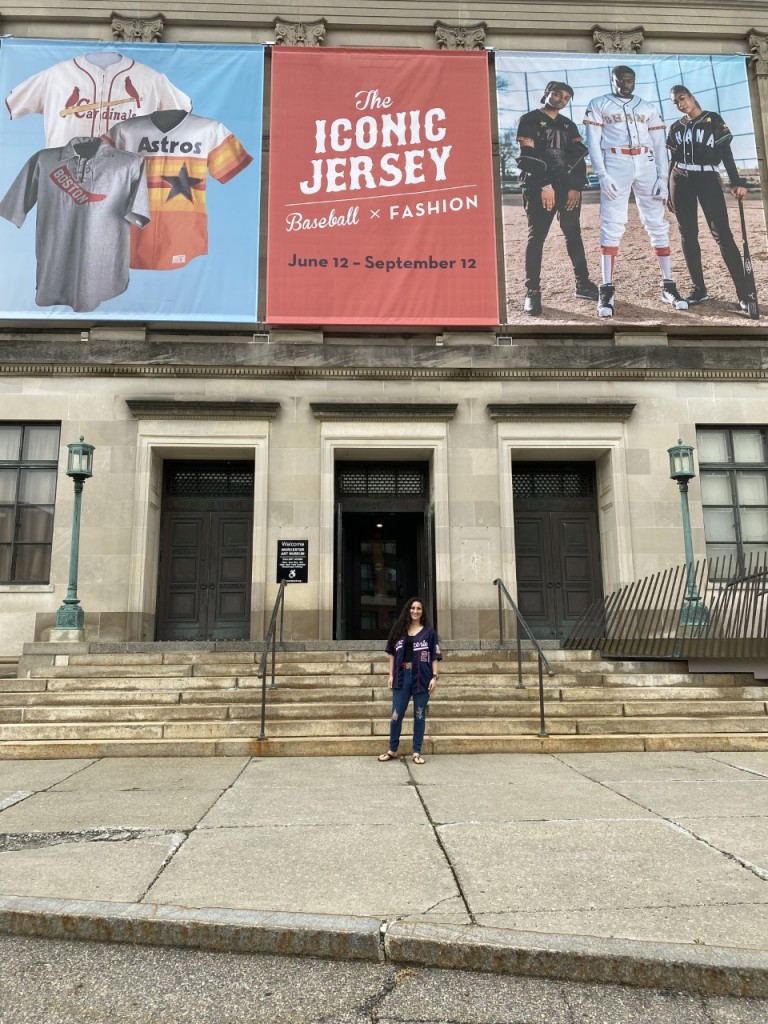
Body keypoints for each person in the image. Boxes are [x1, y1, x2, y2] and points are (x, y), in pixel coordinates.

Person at [584, 65, 688, 318]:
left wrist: (663, 177)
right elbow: (592, 141)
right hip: (615, 161)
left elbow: (660, 145)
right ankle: (606, 288)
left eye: (629, 80)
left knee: (656, 222)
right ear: (613, 80)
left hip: (646, 163)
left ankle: (668, 285)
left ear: (634, 81)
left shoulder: (648, 106)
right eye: (620, 80)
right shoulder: (599, 103)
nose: (625, 84)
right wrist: (601, 173)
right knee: (612, 223)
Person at [516, 81, 599, 316]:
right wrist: (545, 184)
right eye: (557, 94)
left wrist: (576, 187)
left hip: (566, 187)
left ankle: (583, 284)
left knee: (573, 233)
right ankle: (532, 292)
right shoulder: (529, 119)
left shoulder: (568, 124)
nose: (561, 99)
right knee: (537, 236)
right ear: (547, 94)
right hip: (539, 186)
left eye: (566, 97)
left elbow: (578, 156)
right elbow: (528, 155)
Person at [666, 85, 750, 311]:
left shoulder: (712, 119)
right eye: (675, 102)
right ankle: (698, 289)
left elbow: (726, 154)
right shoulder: (676, 127)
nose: (680, 104)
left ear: (692, 97)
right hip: (680, 180)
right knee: (688, 233)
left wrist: (737, 182)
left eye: (682, 98)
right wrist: (668, 191)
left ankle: (744, 293)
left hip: (707, 178)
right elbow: (672, 161)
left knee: (722, 233)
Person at [378, 596, 441, 765]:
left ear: (422, 612)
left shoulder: (429, 632)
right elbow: (391, 654)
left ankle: (416, 752)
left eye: (418, 608)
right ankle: (392, 749)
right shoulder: (398, 631)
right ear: (408, 610)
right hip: (401, 676)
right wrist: (390, 675)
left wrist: (435, 677)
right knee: (396, 715)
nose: (415, 611)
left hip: (422, 677)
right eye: (412, 608)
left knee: (419, 716)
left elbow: (434, 656)